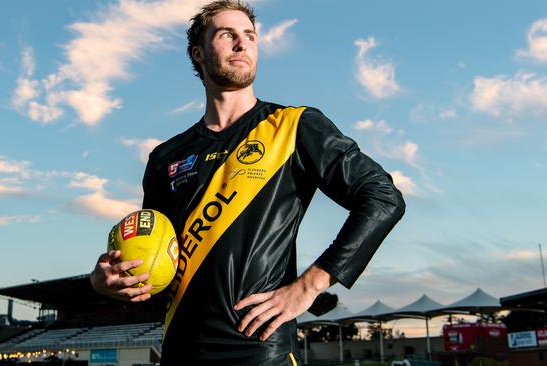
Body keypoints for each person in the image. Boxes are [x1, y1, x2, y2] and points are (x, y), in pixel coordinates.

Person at [90, 1, 405, 365]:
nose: (242, 44)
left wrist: (309, 286)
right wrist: (108, 283)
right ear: (198, 53)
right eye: (227, 34)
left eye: (250, 36)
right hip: (180, 349)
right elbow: (156, 262)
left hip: (260, 349)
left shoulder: (294, 126)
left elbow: (383, 198)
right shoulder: (166, 157)